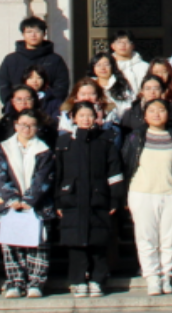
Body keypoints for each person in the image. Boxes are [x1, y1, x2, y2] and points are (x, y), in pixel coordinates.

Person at [121, 99, 172, 297]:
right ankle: (152, 277)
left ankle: (166, 275)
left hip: (171, 193)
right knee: (146, 238)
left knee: (169, 238)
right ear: (145, 115)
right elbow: (126, 165)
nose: (157, 114)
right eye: (152, 110)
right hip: (142, 192)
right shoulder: (136, 137)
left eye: (161, 110)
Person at [56, 100, 126, 298]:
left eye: (89, 115)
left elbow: (114, 172)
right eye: (81, 116)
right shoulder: (64, 143)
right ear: (73, 118)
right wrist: (58, 200)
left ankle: (97, 279)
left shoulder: (105, 141)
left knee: (98, 242)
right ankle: (78, 280)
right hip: (72, 199)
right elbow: (58, 174)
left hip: (98, 198)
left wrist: (115, 198)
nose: (86, 119)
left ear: (96, 117)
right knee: (75, 244)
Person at [0, 106, 56, 298]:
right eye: (23, 124)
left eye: (32, 125)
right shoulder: (2, 149)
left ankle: (36, 282)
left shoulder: (44, 150)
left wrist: (30, 199)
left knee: (38, 244)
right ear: (15, 125)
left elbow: (44, 177)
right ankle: (15, 282)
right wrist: (12, 198)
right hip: (11, 205)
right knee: (11, 245)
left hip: (38, 205)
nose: (27, 129)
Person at [0, 17, 70, 109]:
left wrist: (51, 104)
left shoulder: (55, 60)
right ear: (23, 34)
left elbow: (61, 86)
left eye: (37, 31)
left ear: (44, 34)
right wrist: (12, 104)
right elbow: (4, 85)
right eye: (29, 32)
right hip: (17, 109)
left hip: (47, 109)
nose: (33, 35)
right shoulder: (11, 60)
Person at [89, 51, 135, 122]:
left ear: (112, 66)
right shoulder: (89, 86)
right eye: (98, 65)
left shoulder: (122, 85)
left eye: (106, 65)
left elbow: (129, 106)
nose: (102, 68)